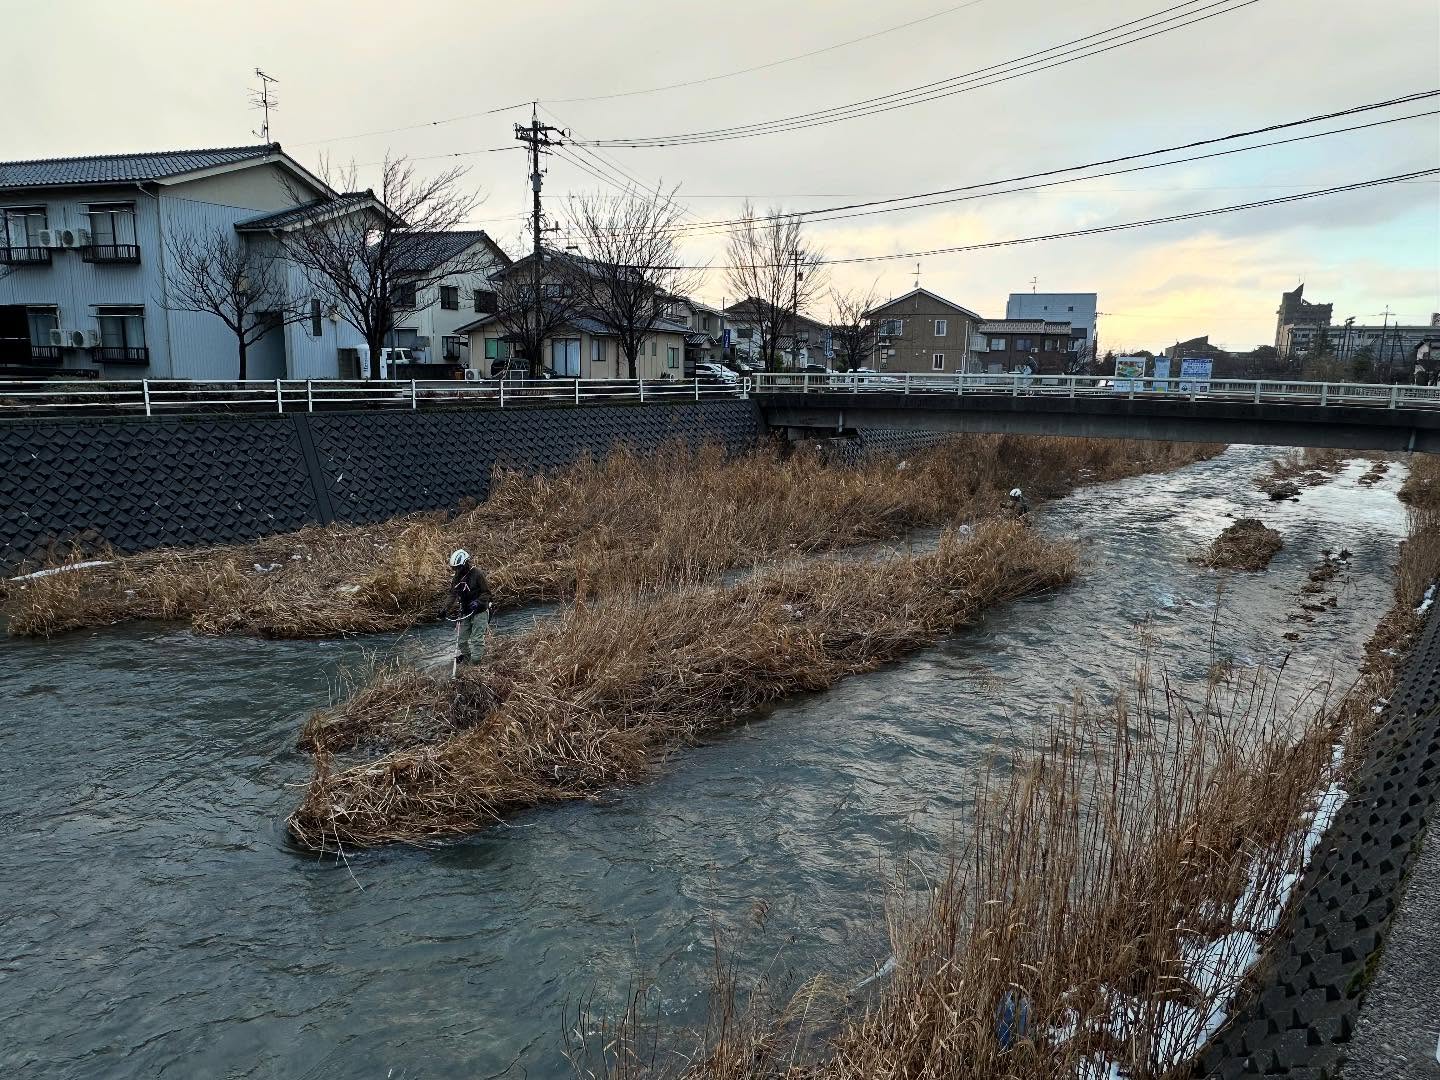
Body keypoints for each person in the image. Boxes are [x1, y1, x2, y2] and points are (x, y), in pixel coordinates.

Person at [445, 549, 492, 667]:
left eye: (458, 567)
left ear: (465, 564)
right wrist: (444, 609)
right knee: (462, 641)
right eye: (454, 568)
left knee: (476, 639)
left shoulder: (477, 573)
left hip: (480, 611)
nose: (456, 571)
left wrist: (478, 602)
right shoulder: (457, 577)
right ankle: (467, 658)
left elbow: (487, 592)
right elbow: (452, 594)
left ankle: (476, 663)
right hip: (466, 612)